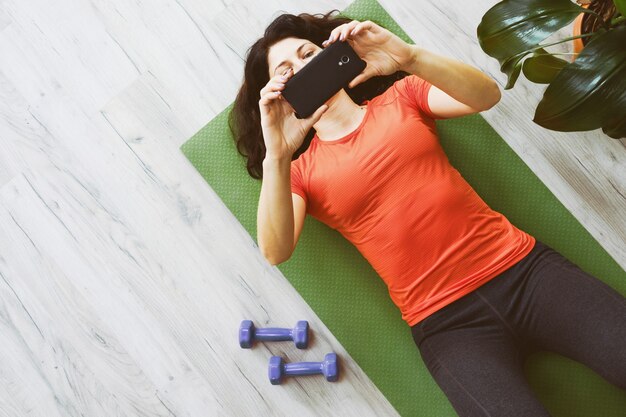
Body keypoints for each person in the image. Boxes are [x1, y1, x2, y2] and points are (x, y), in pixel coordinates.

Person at [231, 10, 626, 417]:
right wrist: (278, 153)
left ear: (331, 52)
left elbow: (486, 95)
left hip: (525, 273)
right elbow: (275, 250)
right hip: (447, 326)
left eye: (308, 53)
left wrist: (410, 58)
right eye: (286, 70)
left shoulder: (402, 96)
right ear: (278, 96)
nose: (303, 67)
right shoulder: (296, 172)